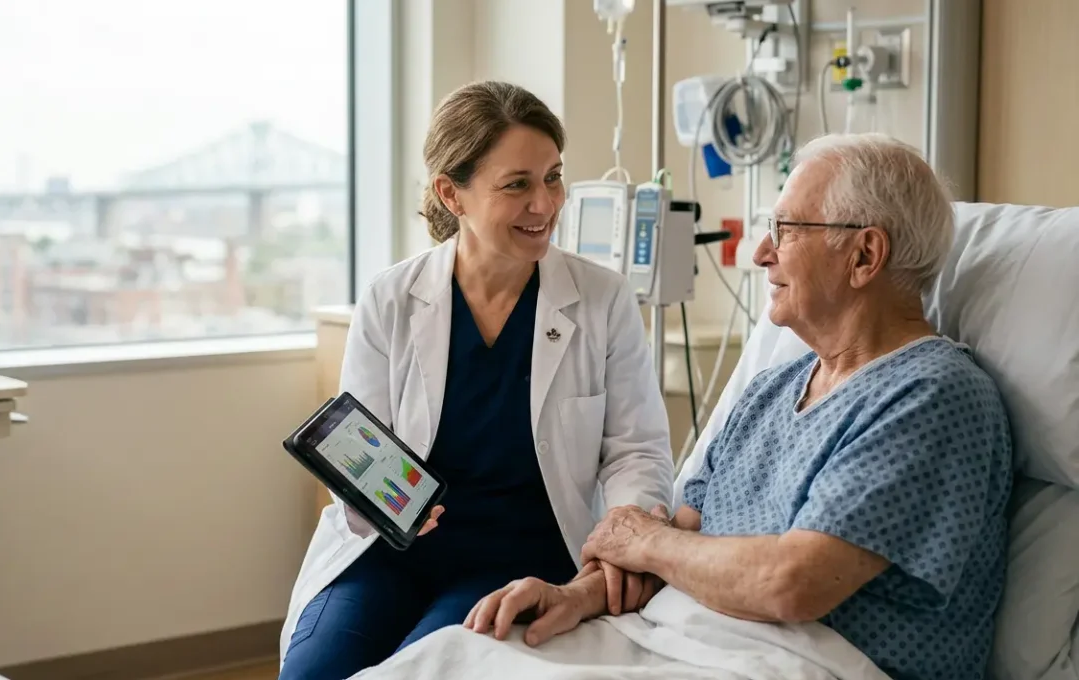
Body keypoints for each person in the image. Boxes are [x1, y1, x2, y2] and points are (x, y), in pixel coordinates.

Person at [464, 133, 1014, 680]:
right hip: (675, 641)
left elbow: (791, 583)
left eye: (787, 230)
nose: (761, 252)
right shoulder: (771, 391)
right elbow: (679, 539)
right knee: (460, 660)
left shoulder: (933, 396)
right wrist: (574, 596)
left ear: (865, 255)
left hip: (800, 663)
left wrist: (649, 541)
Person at [278, 81, 675, 678]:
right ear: (451, 194)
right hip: (387, 553)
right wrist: (377, 496)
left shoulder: (601, 300)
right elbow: (359, 448)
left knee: (421, 668)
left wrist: (624, 542)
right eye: (517, 184)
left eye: (553, 177)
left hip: (516, 561)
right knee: (314, 672)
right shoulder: (392, 298)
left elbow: (636, 451)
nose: (545, 203)